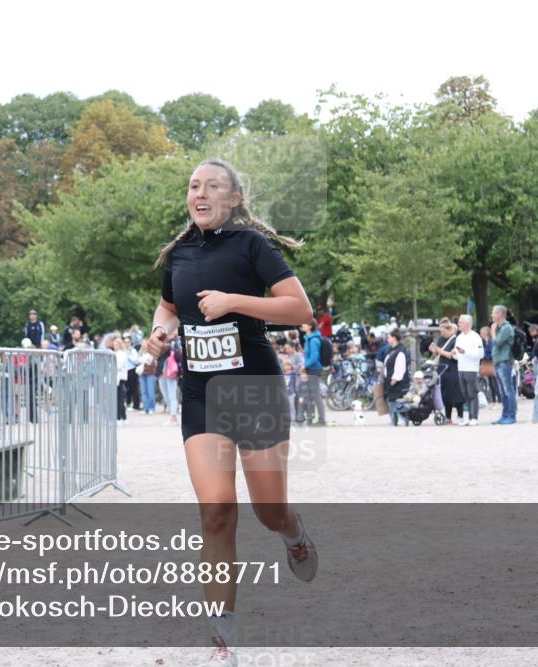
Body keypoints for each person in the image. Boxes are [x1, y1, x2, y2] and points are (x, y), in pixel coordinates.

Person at [142, 157, 317, 666]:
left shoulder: (252, 246)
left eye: (213, 185)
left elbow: (299, 309)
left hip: (254, 388)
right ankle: (222, 642)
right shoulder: (178, 253)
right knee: (216, 511)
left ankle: (293, 532)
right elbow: (170, 307)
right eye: (194, 185)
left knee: (268, 511)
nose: (200, 192)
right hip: (201, 393)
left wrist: (235, 301)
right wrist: (160, 332)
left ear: (234, 198)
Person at [451, 314, 484, 426]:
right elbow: (456, 355)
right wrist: (454, 353)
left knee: (472, 393)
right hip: (461, 368)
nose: (459, 324)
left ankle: (474, 417)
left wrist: (465, 352)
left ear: (467, 324)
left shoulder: (475, 337)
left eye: (461, 322)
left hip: (471, 369)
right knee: (464, 393)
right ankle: (469, 416)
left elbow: (480, 354)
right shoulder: (459, 337)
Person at [429, 321, 464, 425]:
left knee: (456, 394)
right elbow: (438, 353)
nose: (442, 333)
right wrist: (434, 351)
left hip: (453, 369)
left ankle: (460, 416)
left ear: (450, 330)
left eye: (443, 331)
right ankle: (448, 417)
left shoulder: (456, 340)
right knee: (445, 394)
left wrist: (438, 350)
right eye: (441, 331)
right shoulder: (440, 339)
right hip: (442, 369)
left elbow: (451, 355)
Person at [491, 305, 517, 424]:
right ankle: (505, 415)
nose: (492, 315)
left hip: (505, 361)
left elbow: (498, 342)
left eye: (494, 313)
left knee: (508, 389)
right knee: (502, 391)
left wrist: (492, 332)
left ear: (500, 314)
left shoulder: (506, 327)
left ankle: (511, 415)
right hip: (498, 361)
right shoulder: (500, 327)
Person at [301, 319, 327, 426]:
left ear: (310, 326)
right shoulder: (309, 339)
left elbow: (314, 358)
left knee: (316, 395)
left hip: (314, 369)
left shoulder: (313, 340)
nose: (302, 325)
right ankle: (310, 418)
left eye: (304, 323)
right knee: (310, 395)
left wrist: (304, 366)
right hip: (310, 368)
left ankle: (321, 420)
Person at [383, 330, 410, 426]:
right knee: (391, 399)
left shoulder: (400, 351)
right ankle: (392, 418)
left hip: (397, 381)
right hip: (389, 380)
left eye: (389, 337)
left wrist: (395, 379)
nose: (387, 339)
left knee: (398, 399)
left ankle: (401, 418)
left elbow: (400, 367)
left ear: (394, 338)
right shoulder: (390, 350)